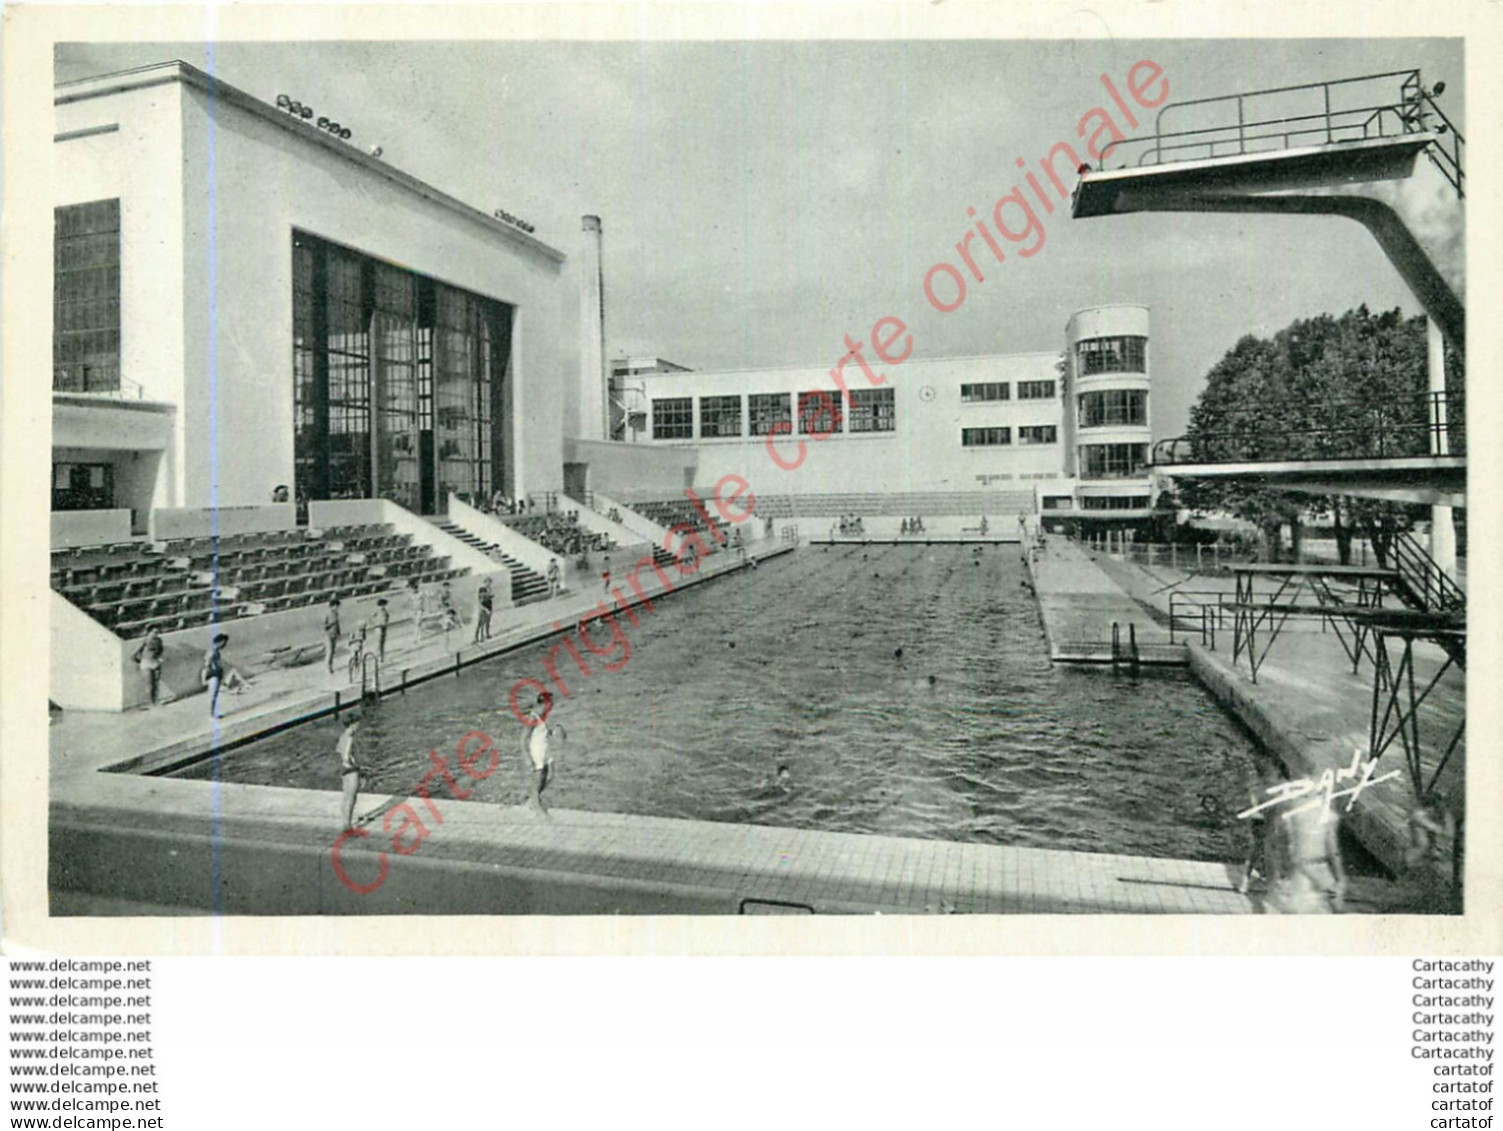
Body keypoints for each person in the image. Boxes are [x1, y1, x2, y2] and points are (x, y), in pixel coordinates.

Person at [1283, 804, 1347, 913]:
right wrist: (1340, 877)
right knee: (1334, 910)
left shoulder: (1291, 813)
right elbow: (1333, 849)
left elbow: (1288, 846)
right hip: (1320, 868)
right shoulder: (1329, 815)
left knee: (1296, 914)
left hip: (1300, 869)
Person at [520, 692, 566, 816]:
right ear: (545, 704)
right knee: (538, 778)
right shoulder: (533, 718)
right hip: (537, 750)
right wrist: (526, 756)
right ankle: (535, 804)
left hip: (545, 749)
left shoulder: (543, 716)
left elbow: (545, 732)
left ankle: (533, 799)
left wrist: (556, 732)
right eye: (550, 703)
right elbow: (523, 738)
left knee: (551, 774)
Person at [201, 633, 249, 719]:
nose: (224, 645)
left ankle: (213, 714)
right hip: (213, 675)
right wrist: (204, 679)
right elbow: (206, 666)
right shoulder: (212, 652)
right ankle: (211, 715)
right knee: (212, 696)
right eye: (224, 643)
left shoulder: (214, 651)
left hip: (216, 674)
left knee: (214, 696)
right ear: (219, 642)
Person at [335, 710, 364, 831]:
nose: (358, 726)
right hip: (351, 771)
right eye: (357, 723)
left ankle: (345, 822)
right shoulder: (350, 737)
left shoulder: (343, 736)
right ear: (353, 724)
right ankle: (348, 826)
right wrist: (358, 767)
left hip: (343, 771)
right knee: (351, 798)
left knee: (346, 796)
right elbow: (347, 757)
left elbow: (338, 752)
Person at [132, 626, 166, 706]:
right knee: (149, 684)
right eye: (154, 632)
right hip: (146, 663)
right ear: (149, 632)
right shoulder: (144, 641)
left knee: (156, 684)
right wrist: (140, 661)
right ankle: (151, 703)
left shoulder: (159, 641)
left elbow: (160, 651)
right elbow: (133, 654)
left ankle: (156, 701)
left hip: (155, 662)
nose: (156, 634)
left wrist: (158, 658)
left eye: (157, 632)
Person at [323, 598, 342, 673]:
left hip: (334, 635)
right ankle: (328, 667)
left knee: (333, 651)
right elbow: (324, 626)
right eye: (336, 606)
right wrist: (332, 623)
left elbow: (337, 624)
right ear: (332, 606)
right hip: (328, 635)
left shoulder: (336, 614)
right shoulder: (327, 614)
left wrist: (339, 633)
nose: (337, 608)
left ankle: (330, 665)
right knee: (329, 651)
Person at [474, 578, 494, 643]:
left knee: (488, 622)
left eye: (490, 583)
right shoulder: (482, 589)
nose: (489, 584)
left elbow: (493, 595)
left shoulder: (489, 589)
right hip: (483, 608)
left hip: (489, 607)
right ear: (485, 582)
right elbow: (480, 601)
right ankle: (478, 637)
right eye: (488, 583)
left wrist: (490, 589)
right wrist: (485, 609)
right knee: (481, 624)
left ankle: (487, 634)